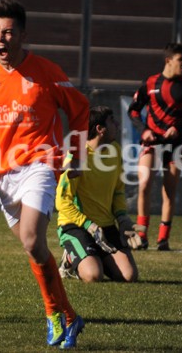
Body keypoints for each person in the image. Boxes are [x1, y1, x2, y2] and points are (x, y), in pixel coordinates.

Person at [0, 0, 88, 349]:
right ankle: (70, 316)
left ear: (22, 35)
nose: (1, 38)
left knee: (31, 239)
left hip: (40, 165)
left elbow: (80, 109)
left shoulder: (45, 72)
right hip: (3, 177)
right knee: (36, 249)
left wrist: (77, 158)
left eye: (9, 32)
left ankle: (52, 315)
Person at [127, 42, 182, 251]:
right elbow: (133, 111)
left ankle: (163, 239)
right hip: (150, 142)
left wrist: (179, 128)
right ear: (168, 60)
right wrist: (144, 130)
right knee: (144, 185)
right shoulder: (150, 83)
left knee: (169, 192)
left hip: (175, 144)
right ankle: (142, 235)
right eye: (181, 60)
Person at [56, 106, 145, 284]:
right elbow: (62, 202)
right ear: (100, 129)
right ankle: (69, 259)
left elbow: (118, 190)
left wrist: (122, 218)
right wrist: (89, 226)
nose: (118, 125)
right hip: (77, 226)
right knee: (93, 276)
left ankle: (92, 256)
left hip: (105, 227)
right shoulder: (76, 157)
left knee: (129, 276)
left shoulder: (116, 150)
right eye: (112, 121)